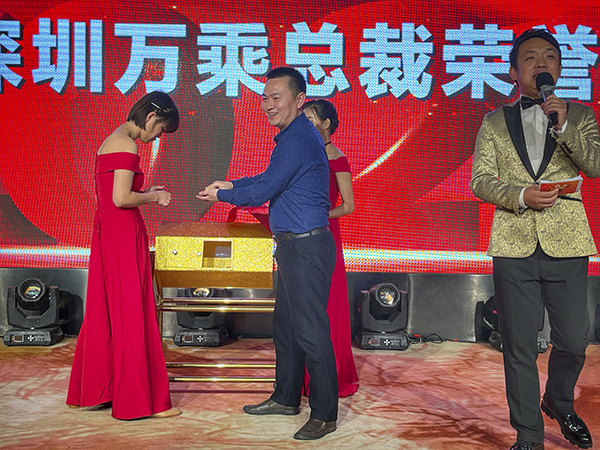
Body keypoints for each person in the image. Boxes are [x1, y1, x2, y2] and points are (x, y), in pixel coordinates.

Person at [471, 28, 599, 450]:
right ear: (514, 72)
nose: (541, 63)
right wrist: (520, 196)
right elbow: (480, 180)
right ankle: (529, 434)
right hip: (514, 243)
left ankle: (559, 401)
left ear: (560, 69)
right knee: (519, 345)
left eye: (550, 56)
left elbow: (595, 166)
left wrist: (565, 127)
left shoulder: (580, 115)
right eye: (530, 57)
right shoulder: (494, 121)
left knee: (574, 342)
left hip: (567, 242)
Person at [197, 67, 338, 440]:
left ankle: (325, 415)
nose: (268, 105)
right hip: (294, 247)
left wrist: (223, 195)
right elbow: (267, 179)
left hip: (306, 247)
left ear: (299, 99)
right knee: (286, 328)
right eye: (264, 98)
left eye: (277, 97)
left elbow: (264, 190)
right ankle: (286, 398)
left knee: (310, 332)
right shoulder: (292, 137)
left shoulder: (298, 138)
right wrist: (231, 183)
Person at [66, 91, 182, 420]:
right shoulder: (126, 144)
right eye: (160, 129)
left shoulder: (111, 140)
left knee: (106, 310)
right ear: (151, 117)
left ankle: (95, 390)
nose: (157, 136)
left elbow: (113, 195)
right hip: (121, 232)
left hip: (109, 232)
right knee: (132, 311)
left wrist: (144, 193)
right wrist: (154, 197)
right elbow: (121, 198)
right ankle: (140, 400)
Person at [302, 99, 359, 398]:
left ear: (326, 124)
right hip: (299, 238)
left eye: (311, 120)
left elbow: (348, 206)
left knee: (328, 306)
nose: (306, 125)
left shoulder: (338, 159)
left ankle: (331, 376)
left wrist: (320, 216)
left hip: (326, 237)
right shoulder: (300, 154)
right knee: (304, 307)